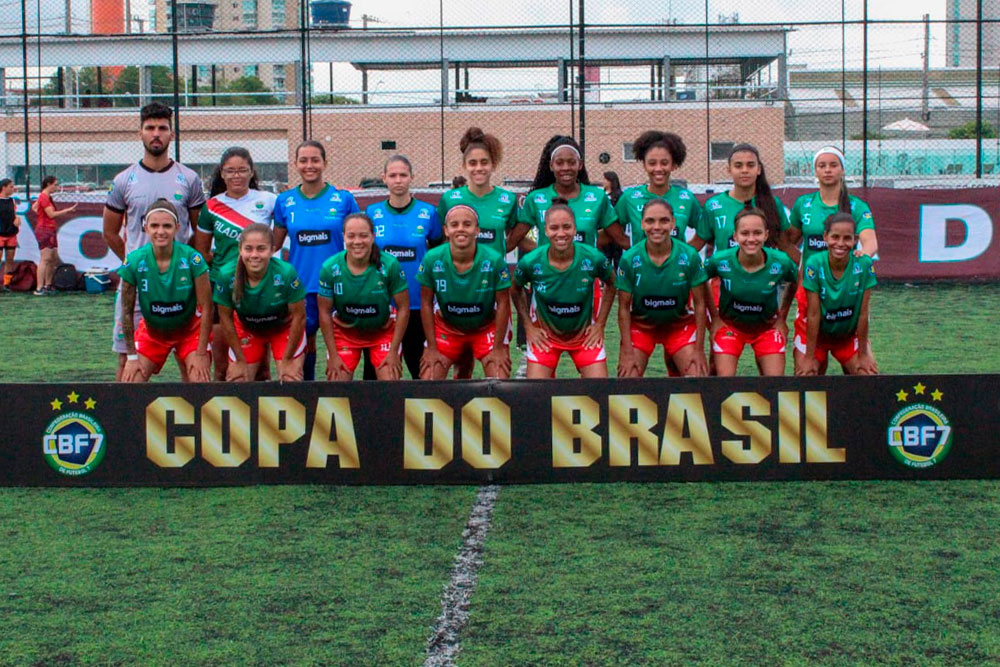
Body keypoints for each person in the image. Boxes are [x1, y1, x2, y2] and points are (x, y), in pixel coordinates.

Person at [103, 102, 207, 380]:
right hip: (140, 286)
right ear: (140, 133)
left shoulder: (189, 179)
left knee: (191, 362)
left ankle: (193, 409)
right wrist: (134, 265)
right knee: (127, 360)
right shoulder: (124, 180)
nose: (156, 134)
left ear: (172, 134)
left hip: (181, 285)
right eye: (150, 128)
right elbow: (110, 232)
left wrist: (185, 265)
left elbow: (200, 232)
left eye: (162, 128)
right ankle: (124, 410)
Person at [436, 127, 522, 378]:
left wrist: (503, 250)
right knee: (461, 364)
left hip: (493, 290)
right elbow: (441, 240)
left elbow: (515, 235)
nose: (479, 168)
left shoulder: (507, 199)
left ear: (493, 164)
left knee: (498, 368)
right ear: (464, 166)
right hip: (458, 288)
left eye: (484, 162)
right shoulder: (450, 199)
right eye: (472, 163)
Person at [273, 140, 360, 381]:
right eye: (303, 160)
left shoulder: (343, 199)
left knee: (345, 346)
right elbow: (273, 245)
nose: (309, 165)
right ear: (295, 164)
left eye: (315, 160)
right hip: (302, 286)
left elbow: (359, 238)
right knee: (305, 344)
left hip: (339, 286)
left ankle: (345, 394)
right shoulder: (285, 201)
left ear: (325, 163)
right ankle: (308, 392)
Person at [787, 146, 878, 374]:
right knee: (810, 372)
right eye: (822, 165)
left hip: (845, 289)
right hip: (812, 289)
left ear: (842, 170)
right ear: (815, 171)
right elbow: (789, 242)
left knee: (865, 372)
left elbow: (870, 242)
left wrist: (862, 259)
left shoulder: (857, 206)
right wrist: (804, 263)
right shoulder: (803, 204)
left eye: (833, 165)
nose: (828, 170)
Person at [194, 147, 277, 381]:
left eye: (242, 170)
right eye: (230, 171)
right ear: (222, 173)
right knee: (222, 368)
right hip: (222, 289)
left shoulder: (269, 201)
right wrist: (225, 270)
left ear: (251, 172)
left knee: (262, 369)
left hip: (259, 288)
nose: (236, 176)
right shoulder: (211, 206)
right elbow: (202, 251)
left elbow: (278, 240)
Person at [512, 201, 617, 379]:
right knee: (535, 391)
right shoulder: (531, 261)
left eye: (566, 227)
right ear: (545, 231)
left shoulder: (593, 258)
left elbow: (613, 283)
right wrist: (529, 327)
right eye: (554, 228)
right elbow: (515, 288)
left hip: (584, 337)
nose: (561, 233)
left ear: (575, 229)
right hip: (545, 338)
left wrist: (600, 324)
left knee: (599, 388)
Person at [117, 199, 212, 383]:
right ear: (146, 228)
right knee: (131, 382)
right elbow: (126, 312)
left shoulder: (192, 258)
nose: (160, 231)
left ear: (177, 227)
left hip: (190, 332)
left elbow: (207, 307)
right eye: (155, 226)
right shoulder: (134, 261)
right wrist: (131, 357)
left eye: (167, 226)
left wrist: (201, 353)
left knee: (199, 381)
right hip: (153, 334)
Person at [365, 155, 442, 379]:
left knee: (422, 373)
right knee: (377, 376)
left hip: (417, 303)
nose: (398, 180)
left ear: (411, 177)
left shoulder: (428, 212)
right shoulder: (372, 213)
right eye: (392, 175)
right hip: (383, 305)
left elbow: (437, 254)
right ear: (384, 178)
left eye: (403, 175)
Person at [616, 199, 709, 378]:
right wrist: (627, 351)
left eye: (664, 221)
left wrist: (699, 350)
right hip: (642, 326)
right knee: (628, 379)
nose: (657, 227)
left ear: (673, 223)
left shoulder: (689, 256)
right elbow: (623, 308)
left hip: (678, 325)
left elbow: (699, 304)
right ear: (642, 224)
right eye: (650, 221)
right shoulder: (629, 259)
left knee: (697, 377)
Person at [417, 205, 512, 379]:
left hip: (485, 327)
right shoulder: (432, 258)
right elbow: (426, 302)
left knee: (500, 379)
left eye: (467, 224)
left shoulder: (494, 260)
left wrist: (498, 347)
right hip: (447, 327)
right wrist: (431, 347)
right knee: (429, 380)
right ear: (446, 230)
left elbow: (504, 303)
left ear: (477, 230)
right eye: (454, 225)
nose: (460, 229)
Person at [704, 209, 798, 377]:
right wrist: (715, 318)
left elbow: (796, 281)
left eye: (757, 233)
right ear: (735, 236)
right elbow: (699, 280)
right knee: (724, 379)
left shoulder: (781, 261)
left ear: (766, 235)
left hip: (767, 328)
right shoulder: (719, 260)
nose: (751, 239)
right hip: (730, 327)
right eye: (745, 233)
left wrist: (782, 318)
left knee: (775, 382)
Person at [316, 213, 409, 381]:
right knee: (337, 383)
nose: (357, 241)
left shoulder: (390, 265)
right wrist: (333, 355)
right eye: (351, 236)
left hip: (383, 331)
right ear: (343, 236)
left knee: (390, 381)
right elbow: (324, 312)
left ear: (373, 236)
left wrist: (394, 351)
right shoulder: (330, 268)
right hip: (345, 333)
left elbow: (403, 308)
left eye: (363, 235)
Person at [214, 223, 306, 382]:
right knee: (239, 380)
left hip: (283, 329)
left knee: (289, 379)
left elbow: (299, 317)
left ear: (272, 250)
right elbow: (225, 318)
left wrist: (287, 359)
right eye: (248, 249)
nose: (254, 255)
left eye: (261, 249)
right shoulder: (226, 275)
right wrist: (240, 360)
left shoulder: (286, 273)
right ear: (240, 249)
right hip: (247, 329)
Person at [507, 135, 629, 251]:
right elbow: (514, 240)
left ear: (580, 165)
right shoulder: (535, 199)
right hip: (549, 267)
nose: (566, 168)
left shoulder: (598, 197)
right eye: (559, 163)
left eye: (571, 162)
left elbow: (618, 237)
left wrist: (587, 244)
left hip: (585, 265)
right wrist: (542, 252)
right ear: (551, 165)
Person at [797, 212, 878, 376]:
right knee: (807, 376)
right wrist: (809, 357)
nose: (840, 243)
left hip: (847, 337)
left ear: (855, 240)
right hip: (816, 338)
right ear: (825, 237)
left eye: (847, 238)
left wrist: (863, 354)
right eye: (835, 237)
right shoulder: (814, 264)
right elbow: (813, 314)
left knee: (867, 375)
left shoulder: (864, 264)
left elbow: (863, 313)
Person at [691, 143, 797, 261]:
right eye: (738, 166)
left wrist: (807, 268)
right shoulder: (713, 206)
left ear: (758, 169)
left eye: (750, 165)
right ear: (729, 169)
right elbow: (696, 244)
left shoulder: (772, 203)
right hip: (726, 272)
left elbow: (785, 245)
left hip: (763, 272)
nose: (745, 170)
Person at [616, 131, 702, 245]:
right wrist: (633, 251)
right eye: (652, 163)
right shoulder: (629, 198)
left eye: (664, 163)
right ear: (644, 165)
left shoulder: (687, 199)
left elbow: (705, 231)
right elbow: (611, 230)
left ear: (673, 165)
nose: (658, 169)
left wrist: (687, 253)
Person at [31, 175, 78, 295]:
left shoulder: (46, 197)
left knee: (52, 258)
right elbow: (51, 214)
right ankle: (39, 288)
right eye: (55, 185)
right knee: (45, 259)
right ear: (48, 184)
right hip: (44, 230)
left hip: (50, 229)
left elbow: (34, 207)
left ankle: (48, 285)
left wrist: (40, 213)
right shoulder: (44, 197)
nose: (56, 187)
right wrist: (67, 210)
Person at [0, 179, 19, 291]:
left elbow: (14, 214)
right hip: (0, 234)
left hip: (11, 233)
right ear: (4, 187)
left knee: (10, 259)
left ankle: (6, 284)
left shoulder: (12, 201)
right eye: (11, 187)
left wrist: (17, 219)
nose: (13, 189)